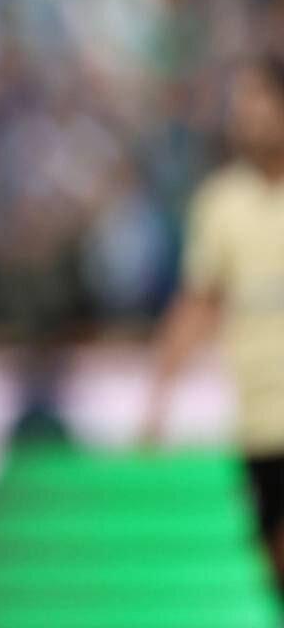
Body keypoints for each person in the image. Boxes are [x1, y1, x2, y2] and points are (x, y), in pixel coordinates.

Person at [142, 55, 284, 599]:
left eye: (259, 103)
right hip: (260, 419)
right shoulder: (221, 204)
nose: (247, 117)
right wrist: (160, 395)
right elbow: (198, 303)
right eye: (241, 106)